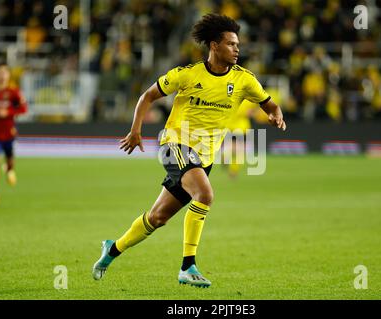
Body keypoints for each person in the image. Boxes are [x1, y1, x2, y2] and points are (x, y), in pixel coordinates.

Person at [92, 14, 286, 288]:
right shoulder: (187, 74)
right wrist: (135, 130)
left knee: (157, 218)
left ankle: (111, 249)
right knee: (205, 194)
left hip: (202, 159)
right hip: (175, 145)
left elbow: (270, 104)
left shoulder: (244, 80)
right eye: (231, 44)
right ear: (214, 45)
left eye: (237, 44)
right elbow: (147, 96)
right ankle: (188, 266)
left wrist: (276, 115)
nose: (237, 49)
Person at [0, 62, 27, 205]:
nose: (2, 75)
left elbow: (23, 109)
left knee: (10, 160)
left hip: (9, 134)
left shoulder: (13, 93)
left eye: (5, 72)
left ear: (9, 75)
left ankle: (9, 170)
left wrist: (8, 112)